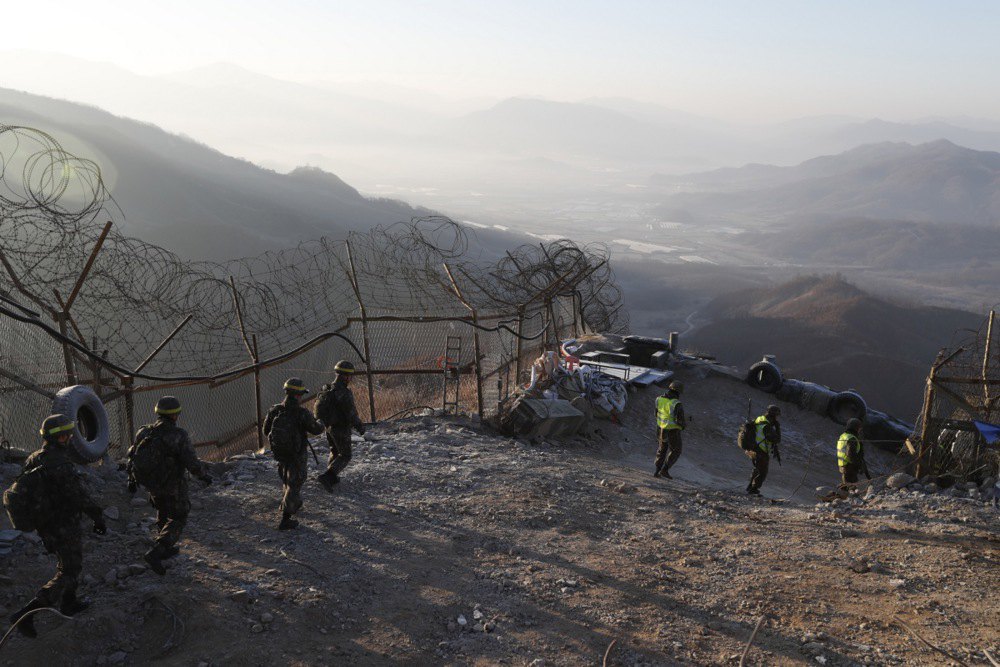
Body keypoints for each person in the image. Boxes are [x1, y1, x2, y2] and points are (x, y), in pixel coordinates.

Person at [7, 414, 106, 638]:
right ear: (62, 437)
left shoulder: (35, 458)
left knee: (69, 563)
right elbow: (77, 496)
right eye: (68, 433)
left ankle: (69, 603)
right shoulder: (60, 463)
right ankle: (27, 613)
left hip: (46, 524)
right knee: (69, 569)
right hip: (63, 523)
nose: (71, 437)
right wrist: (97, 516)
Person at [127, 396, 212, 575]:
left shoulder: (144, 432)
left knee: (163, 510)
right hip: (173, 483)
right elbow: (191, 462)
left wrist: (132, 480)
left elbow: (132, 455)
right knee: (180, 516)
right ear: (175, 415)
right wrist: (204, 476)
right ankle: (158, 551)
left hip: (151, 483)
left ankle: (165, 547)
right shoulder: (178, 435)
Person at [263, 378, 325, 530]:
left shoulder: (275, 410)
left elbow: (266, 431)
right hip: (297, 453)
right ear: (298, 395)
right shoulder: (301, 413)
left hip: (280, 452)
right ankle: (285, 519)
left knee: (287, 478)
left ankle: (289, 503)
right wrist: (321, 422)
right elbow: (316, 430)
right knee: (296, 482)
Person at [314, 360, 365, 491]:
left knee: (335, 450)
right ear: (345, 376)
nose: (350, 378)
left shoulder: (328, 388)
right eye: (349, 376)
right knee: (345, 455)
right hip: (341, 427)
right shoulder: (343, 392)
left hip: (329, 426)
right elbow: (350, 413)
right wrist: (360, 426)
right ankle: (327, 476)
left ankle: (332, 476)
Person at [746, 404, 782, 495]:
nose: (777, 418)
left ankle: (750, 486)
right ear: (773, 415)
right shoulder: (767, 426)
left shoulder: (760, 418)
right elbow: (777, 439)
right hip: (761, 450)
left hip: (754, 447)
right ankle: (753, 489)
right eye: (776, 416)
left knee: (756, 468)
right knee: (762, 472)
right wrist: (777, 427)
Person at [654, 381, 686, 479]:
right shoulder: (676, 403)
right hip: (673, 431)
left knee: (662, 449)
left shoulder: (658, 399)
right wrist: (684, 425)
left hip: (661, 429)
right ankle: (665, 470)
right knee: (676, 450)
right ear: (678, 392)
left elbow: (656, 414)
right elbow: (679, 421)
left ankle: (656, 471)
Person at [837, 418, 870, 488]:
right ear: (856, 428)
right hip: (849, 467)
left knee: (846, 486)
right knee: (852, 488)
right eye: (859, 428)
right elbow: (851, 455)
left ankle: (837, 496)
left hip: (843, 466)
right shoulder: (852, 439)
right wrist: (859, 465)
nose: (860, 430)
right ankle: (835, 495)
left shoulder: (844, 436)